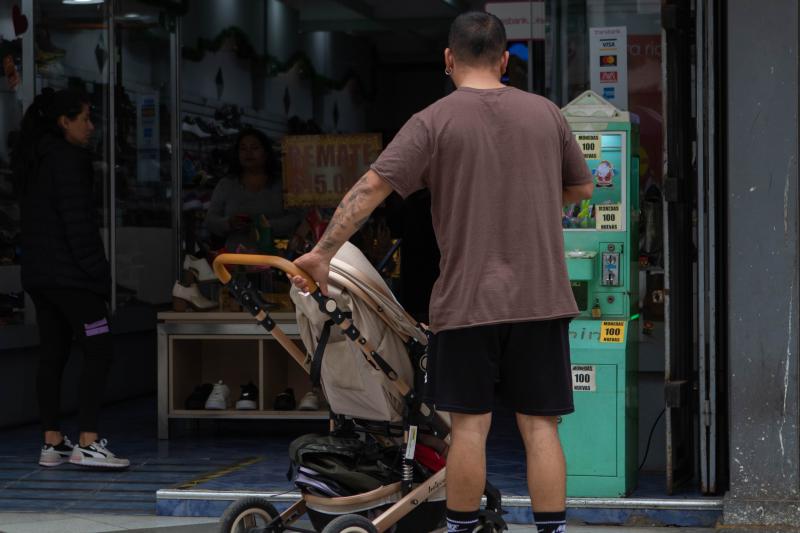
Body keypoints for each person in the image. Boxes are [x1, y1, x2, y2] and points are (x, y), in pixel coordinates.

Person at [290, 12, 593, 533]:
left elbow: (369, 190)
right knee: (542, 428)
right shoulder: (547, 115)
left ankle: (461, 528)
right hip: (542, 299)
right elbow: (582, 190)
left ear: (449, 59)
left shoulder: (432, 121)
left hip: (467, 302)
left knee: (469, 429)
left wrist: (322, 252)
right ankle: (552, 531)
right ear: (504, 60)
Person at [13, 88, 129, 469]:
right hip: (75, 282)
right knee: (100, 347)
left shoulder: (33, 158)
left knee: (54, 353)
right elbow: (79, 225)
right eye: (85, 118)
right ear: (64, 121)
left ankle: (53, 441)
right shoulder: (69, 160)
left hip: (42, 279)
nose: (91, 126)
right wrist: (99, 275)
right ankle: (89, 441)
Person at [205, 128, 302, 252]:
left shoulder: (283, 184)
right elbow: (210, 220)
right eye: (243, 149)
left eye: (254, 148)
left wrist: (264, 227)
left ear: (266, 152)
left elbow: (295, 218)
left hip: (277, 256)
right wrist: (229, 223)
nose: (248, 153)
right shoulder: (226, 185)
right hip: (235, 257)